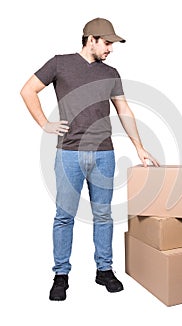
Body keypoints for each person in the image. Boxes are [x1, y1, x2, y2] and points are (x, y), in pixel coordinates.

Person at [20, 17, 159, 301]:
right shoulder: (59, 64)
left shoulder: (111, 72)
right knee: (64, 217)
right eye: (107, 43)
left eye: (112, 44)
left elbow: (124, 111)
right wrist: (45, 123)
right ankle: (61, 275)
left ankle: (104, 270)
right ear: (91, 39)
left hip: (104, 155)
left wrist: (139, 147)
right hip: (68, 154)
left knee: (104, 215)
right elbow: (27, 90)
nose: (110, 48)